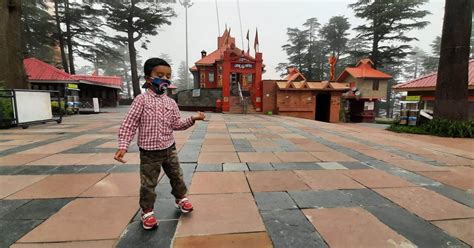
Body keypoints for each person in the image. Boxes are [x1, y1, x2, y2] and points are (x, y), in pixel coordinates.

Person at [114, 58, 205, 230]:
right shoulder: (141, 100)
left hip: (169, 148)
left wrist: (193, 118)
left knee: (177, 176)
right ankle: (147, 211)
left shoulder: (170, 102)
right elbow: (129, 123)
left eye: (168, 75)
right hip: (149, 152)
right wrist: (123, 145)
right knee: (149, 183)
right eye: (159, 75)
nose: (164, 78)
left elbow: (176, 124)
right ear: (148, 78)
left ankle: (181, 198)